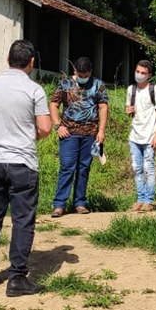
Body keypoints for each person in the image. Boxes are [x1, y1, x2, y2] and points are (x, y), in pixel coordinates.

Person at [0, 39, 52, 296]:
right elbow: (45, 127)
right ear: (31, 62)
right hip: (22, 162)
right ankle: (17, 278)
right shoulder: (34, 90)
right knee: (22, 220)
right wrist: (29, 136)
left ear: (8, 60)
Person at [50, 57, 109, 217]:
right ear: (74, 71)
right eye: (80, 73)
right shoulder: (65, 84)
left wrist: (101, 131)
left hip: (90, 134)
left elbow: (103, 108)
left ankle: (80, 203)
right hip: (69, 133)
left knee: (84, 168)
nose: (83, 76)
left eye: (86, 74)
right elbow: (54, 104)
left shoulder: (98, 85)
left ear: (90, 72)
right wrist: (58, 125)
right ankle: (59, 204)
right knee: (67, 167)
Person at [125, 59, 156, 212]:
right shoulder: (131, 89)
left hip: (149, 136)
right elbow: (130, 109)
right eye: (137, 71)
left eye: (143, 73)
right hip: (134, 136)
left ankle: (149, 200)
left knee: (148, 168)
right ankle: (140, 198)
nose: (139, 75)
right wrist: (129, 111)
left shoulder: (155, 90)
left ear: (149, 75)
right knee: (136, 168)